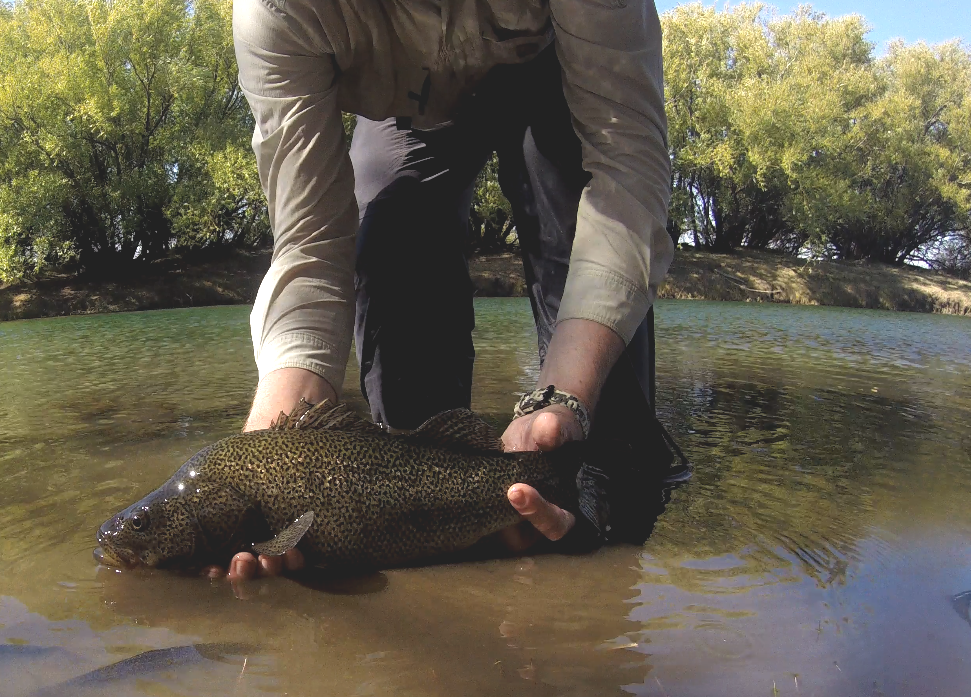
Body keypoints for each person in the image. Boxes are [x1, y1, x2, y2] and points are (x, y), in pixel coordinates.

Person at [213, 0, 678, 583]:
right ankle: (467, 524)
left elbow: (626, 168)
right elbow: (311, 241)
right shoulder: (276, 12)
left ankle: (600, 505)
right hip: (411, 111)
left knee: (613, 475)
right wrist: (273, 445)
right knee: (391, 241)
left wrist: (564, 398)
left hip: (560, 72)